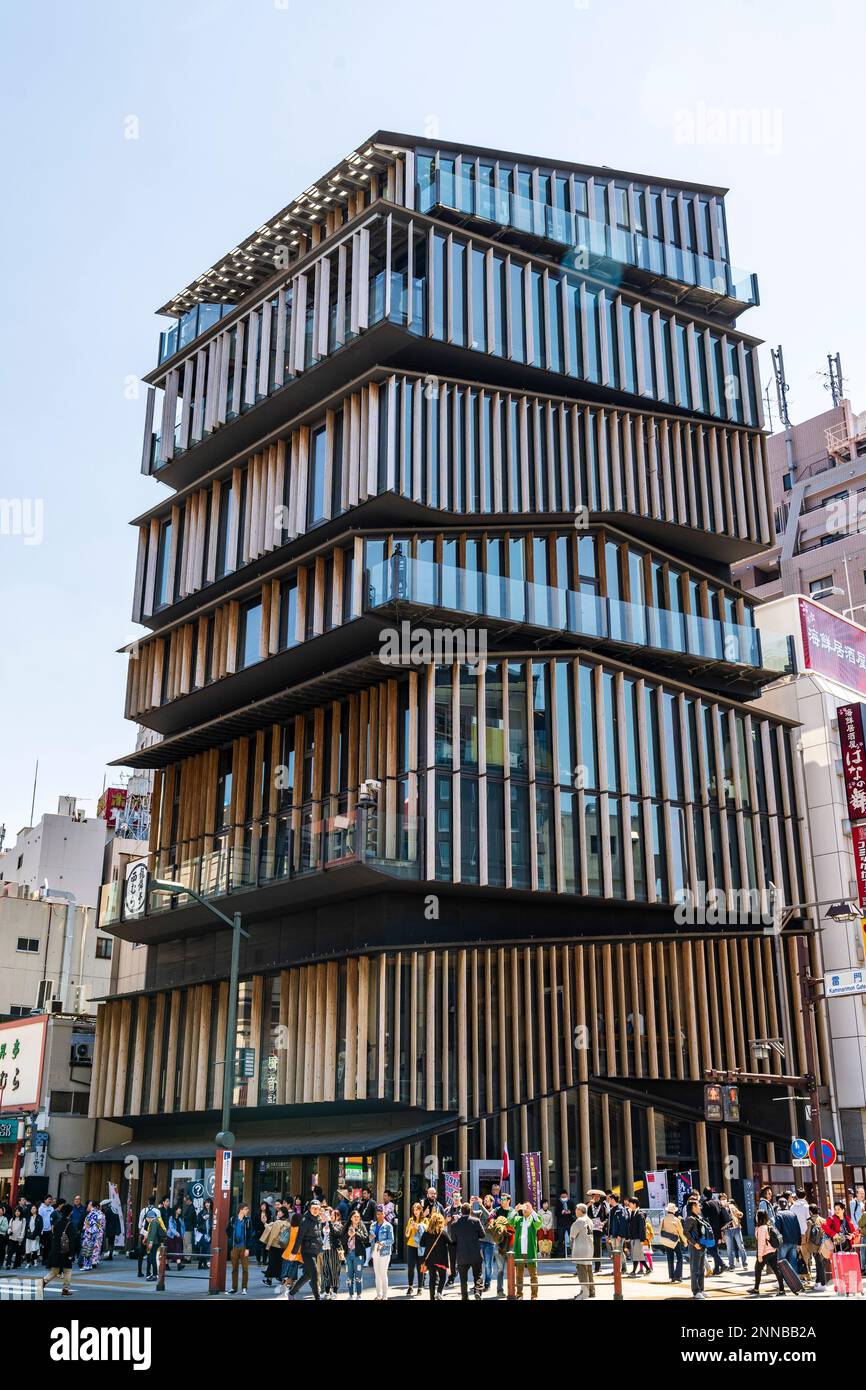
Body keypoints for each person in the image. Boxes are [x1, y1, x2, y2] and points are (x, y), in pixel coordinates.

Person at [289, 1198, 324, 1300]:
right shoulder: (305, 1220)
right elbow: (299, 1237)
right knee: (315, 1273)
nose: (315, 1210)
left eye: (317, 1208)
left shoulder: (319, 1219)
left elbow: (319, 1235)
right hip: (307, 1251)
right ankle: (317, 1297)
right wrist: (293, 1252)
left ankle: (292, 1293)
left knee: (308, 1275)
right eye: (313, 1208)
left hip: (316, 1251)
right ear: (309, 1209)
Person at [450, 1201, 485, 1299]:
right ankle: (478, 1291)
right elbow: (483, 1235)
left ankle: (464, 1297)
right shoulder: (476, 1221)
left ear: (461, 1211)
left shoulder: (454, 1224)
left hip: (462, 1255)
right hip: (475, 1254)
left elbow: (453, 1240)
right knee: (478, 1275)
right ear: (470, 1211)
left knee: (463, 1279)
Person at [508, 1202, 542, 1300]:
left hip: (530, 1250)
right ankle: (519, 1294)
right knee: (519, 1275)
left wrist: (532, 1211)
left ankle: (534, 1295)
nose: (524, 1210)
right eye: (523, 1209)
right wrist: (515, 1210)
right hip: (519, 1251)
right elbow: (510, 1221)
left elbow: (539, 1223)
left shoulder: (533, 1220)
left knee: (533, 1275)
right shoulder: (518, 1219)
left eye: (526, 1208)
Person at [749, 1209, 785, 1296]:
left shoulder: (762, 1228)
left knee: (758, 1269)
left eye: (757, 1216)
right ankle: (781, 1290)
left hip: (766, 1252)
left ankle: (756, 1289)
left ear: (759, 1217)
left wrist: (759, 1256)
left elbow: (761, 1243)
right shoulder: (767, 1225)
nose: (756, 1217)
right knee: (776, 1269)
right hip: (773, 1251)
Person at [43, 1202, 74, 1296]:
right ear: (70, 1212)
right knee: (67, 1270)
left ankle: (42, 1282)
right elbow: (72, 1240)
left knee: (55, 1271)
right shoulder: (70, 1224)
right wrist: (71, 1254)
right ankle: (65, 1289)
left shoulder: (57, 1224)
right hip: (65, 1251)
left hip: (56, 1251)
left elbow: (54, 1237)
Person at [418, 1210, 450, 1300]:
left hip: (430, 1260)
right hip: (441, 1260)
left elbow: (421, 1244)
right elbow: (451, 1242)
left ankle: (432, 1298)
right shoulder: (442, 1233)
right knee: (442, 1276)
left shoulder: (427, 1232)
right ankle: (439, 1292)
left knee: (432, 1278)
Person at [683, 1197, 710, 1299]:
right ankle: (695, 1291)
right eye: (698, 1205)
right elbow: (685, 1232)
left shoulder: (698, 1217)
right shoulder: (690, 1218)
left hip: (702, 1246)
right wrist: (694, 1243)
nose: (700, 1207)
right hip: (695, 1247)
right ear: (693, 1207)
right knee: (695, 1269)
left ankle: (701, 1289)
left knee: (701, 1269)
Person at [340, 1208, 369, 1299]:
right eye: (355, 1217)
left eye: (358, 1217)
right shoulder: (346, 1226)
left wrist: (355, 1233)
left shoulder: (361, 1226)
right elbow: (342, 1241)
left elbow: (366, 1239)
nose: (357, 1218)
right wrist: (348, 1235)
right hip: (348, 1254)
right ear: (351, 1218)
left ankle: (359, 1294)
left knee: (358, 1276)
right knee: (349, 1276)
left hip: (358, 1254)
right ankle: (350, 1294)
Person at [369, 1203, 395, 1299]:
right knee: (377, 1274)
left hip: (384, 1251)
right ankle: (378, 1294)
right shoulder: (373, 1225)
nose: (379, 1215)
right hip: (375, 1250)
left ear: (384, 1214)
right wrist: (370, 1237)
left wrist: (382, 1243)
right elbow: (370, 1238)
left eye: (381, 1213)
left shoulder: (388, 1226)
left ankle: (385, 1295)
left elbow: (391, 1240)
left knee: (383, 1273)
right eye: (378, 1214)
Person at [262, 1204, 292, 1286]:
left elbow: (273, 1234)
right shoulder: (288, 1223)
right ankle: (281, 1279)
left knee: (272, 1263)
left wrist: (268, 1245)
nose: (278, 1213)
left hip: (275, 1246)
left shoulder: (278, 1222)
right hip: (283, 1246)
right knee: (281, 1263)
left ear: (283, 1213)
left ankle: (269, 1280)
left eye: (280, 1212)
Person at [570, 1203, 595, 1299]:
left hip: (581, 1248)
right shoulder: (589, 1220)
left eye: (576, 1209)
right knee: (589, 1270)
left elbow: (572, 1234)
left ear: (580, 1210)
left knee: (582, 1270)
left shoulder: (579, 1220)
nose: (575, 1211)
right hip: (589, 1247)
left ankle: (584, 1292)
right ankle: (591, 1290)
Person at [490, 1192, 513, 1298]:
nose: (501, 1201)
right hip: (499, 1243)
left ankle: (512, 1290)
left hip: (511, 1243)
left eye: (504, 1199)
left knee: (511, 1268)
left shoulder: (513, 1212)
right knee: (500, 1269)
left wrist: (506, 1225)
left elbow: (515, 1225)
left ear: (509, 1200)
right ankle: (500, 1290)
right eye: (501, 1199)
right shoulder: (496, 1210)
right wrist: (493, 1222)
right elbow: (490, 1218)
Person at [226, 1204, 252, 1295]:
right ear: (241, 1210)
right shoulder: (233, 1219)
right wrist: (231, 1240)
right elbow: (227, 1230)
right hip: (234, 1247)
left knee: (245, 1269)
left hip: (244, 1247)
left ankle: (244, 1288)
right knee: (234, 1269)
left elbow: (250, 1235)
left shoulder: (247, 1221)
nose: (247, 1211)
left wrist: (248, 1248)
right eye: (246, 1209)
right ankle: (234, 1288)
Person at [659, 1202, 686, 1282]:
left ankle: (671, 1275)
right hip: (675, 1241)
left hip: (666, 1241)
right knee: (679, 1258)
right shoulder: (676, 1219)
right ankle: (678, 1275)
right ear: (674, 1211)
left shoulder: (663, 1219)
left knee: (670, 1258)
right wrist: (685, 1241)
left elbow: (660, 1229)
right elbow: (681, 1231)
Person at [719, 1193, 747, 1271]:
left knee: (741, 1246)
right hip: (727, 1230)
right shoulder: (720, 1209)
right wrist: (722, 1234)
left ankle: (745, 1263)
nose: (723, 1200)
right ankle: (731, 1265)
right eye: (722, 1199)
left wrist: (739, 1214)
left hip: (736, 1228)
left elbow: (739, 1214)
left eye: (724, 1199)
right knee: (729, 1248)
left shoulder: (731, 1206)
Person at [700, 1187, 724, 1276]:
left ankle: (722, 1263)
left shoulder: (705, 1204)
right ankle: (717, 1269)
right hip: (718, 1229)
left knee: (710, 1249)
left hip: (710, 1230)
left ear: (704, 1195)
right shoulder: (717, 1202)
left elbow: (704, 1217)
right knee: (715, 1248)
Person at [321, 1205, 343, 1298]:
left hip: (334, 1250)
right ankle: (326, 1291)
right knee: (325, 1270)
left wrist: (329, 1222)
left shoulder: (339, 1225)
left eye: (333, 1215)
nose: (331, 1217)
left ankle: (335, 1291)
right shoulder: (327, 1223)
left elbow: (335, 1233)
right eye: (331, 1215)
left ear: (337, 1217)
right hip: (325, 1249)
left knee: (334, 1270)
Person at [404, 1201, 426, 1295]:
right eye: (414, 1210)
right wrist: (410, 1227)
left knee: (420, 1267)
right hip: (411, 1245)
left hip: (420, 1247)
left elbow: (426, 1233)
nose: (415, 1211)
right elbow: (407, 1234)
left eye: (417, 1210)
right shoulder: (410, 1220)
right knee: (410, 1267)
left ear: (421, 1210)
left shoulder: (425, 1220)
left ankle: (420, 1287)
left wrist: (417, 1227)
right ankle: (410, 1287)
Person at [776, 1200, 802, 1272]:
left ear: (779, 1205)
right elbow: (798, 1229)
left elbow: (777, 1229)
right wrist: (799, 1242)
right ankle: (794, 1281)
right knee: (793, 1262)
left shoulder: (778, 1214)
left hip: (783, 1242)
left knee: (781, 1262)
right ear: (787, 1204)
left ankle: (783, 1280)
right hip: (794, 1242)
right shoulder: (793, 1214)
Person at [625, 1197, 649, 1276]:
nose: (629, 1205)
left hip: (638, 1238)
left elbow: (642, 1228)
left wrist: (642, 1240)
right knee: (637, 1255)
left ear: (634, 1204)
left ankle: (634, 1271)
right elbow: (628, 1222)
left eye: (630, 1203)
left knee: (636, 1255)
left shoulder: (639, 1214)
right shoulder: (632, 1212)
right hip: (633, 1237)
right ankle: (648, 1269)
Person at [478, 1194, 496, 1291]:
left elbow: (489, 1217)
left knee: (488, 1265)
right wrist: (471, 1204)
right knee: (478, 1264)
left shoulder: (494, 1211)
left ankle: (487, 1283)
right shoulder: (481, 1212)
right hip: (480, 1241)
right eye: (484, 1201)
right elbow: (471, 1214)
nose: (485, 1202)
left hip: (489, 1242)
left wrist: (481, 1206)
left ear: (491, 1202)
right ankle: (479, 1283)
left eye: (487, 1201)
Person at [586, 1194, 608, 1272]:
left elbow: (606, 1217)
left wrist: (603, 1223)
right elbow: (583, 1212)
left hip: (598, 1228)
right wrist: (589, 1204)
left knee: (597, 1247)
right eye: (595, 1196)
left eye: (598, 1197)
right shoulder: (588, 1204)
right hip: (589, 1228)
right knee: (589, 1247)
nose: (596, 1198)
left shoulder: (603, 1205)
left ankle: (597, 1267)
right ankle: (587, 1266)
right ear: (592, 1197)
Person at [554, 1190, 575, 1258]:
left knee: (571, 1238)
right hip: (561, 1223)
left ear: (567, 1195)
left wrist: (570, 1212)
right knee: (560, 1239)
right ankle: (560, 1254)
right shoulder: (558, 1202)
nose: (563, 1197)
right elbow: (556, 1213)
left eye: (564, 1196)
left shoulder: (570, 1202)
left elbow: (574, 1211)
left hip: (569, 1222)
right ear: (560, 1196)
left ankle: (572, 1252)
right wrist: (561, 1212)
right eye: (562, 1196)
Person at [165, 1204, 184, 1271]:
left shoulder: (180, 1218)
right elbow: (171, 1227)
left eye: (180, 1209)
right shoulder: (171, 1218)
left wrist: (182, 1234)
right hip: (171, 1236)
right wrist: (176, 1233)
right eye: (179, 1209)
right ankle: (166, 1264)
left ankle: (179, 1264)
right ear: (175, 1210)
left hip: (178, 1237)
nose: (180, 1210)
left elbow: (183, 1227)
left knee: (178, 1249)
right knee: (169, 1251)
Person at [196, 1198, 213, 1270]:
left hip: (209, 1232)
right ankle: (204, 1264)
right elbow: (198, 1222)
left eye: (208, 1203)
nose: (207, 1204)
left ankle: (200, 1264)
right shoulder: (201, 1212)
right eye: (206, 1203)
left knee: (204, 1249)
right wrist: (204, 1218)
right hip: (202, 1232)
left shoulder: (212, 1212)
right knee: (205, 1247)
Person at [181, 1196, 198, 1265]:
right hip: (187, 1228)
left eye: (186, 1201)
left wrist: (183, 1217)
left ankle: (188, 1258)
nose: (185, 1202)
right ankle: (186, 1257)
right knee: (186, 1243)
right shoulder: (190, 1207)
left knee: (187, 1244)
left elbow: (189, 1217)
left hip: (188, 1228)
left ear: (189, 1200)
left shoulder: (191, 1207)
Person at [37, 1195, 54, 1266]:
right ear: (45, 1200)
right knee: (40, 1245)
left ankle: (46, 1260)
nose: (50, 1201)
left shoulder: (52, 1208)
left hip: (50, 1230)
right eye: (48, 1199)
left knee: (48, 1246)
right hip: (42, 1230)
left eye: (51, 1199)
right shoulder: (41, 1208)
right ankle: (35, 1259)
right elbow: (39, 1219)